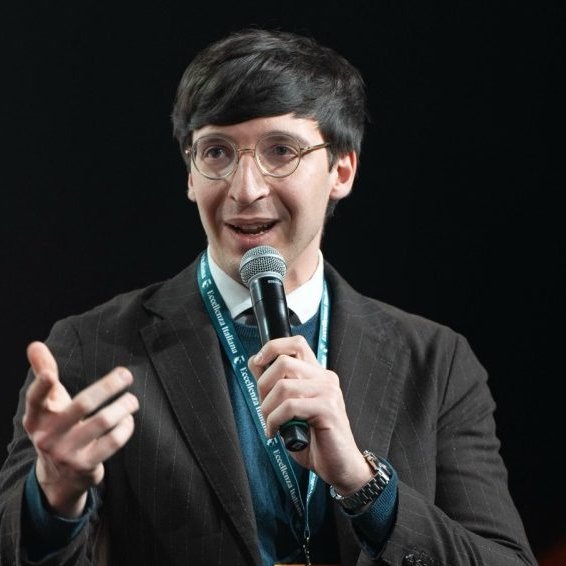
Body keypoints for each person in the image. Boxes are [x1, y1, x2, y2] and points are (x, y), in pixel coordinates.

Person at [0, 27, 536, 566]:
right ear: (190, 175)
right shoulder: (91, 348)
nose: (246, 189)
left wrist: (364, 484)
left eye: (281, 151)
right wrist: (54, 498)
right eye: (216, 152)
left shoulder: (436, 363)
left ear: (342, 170)